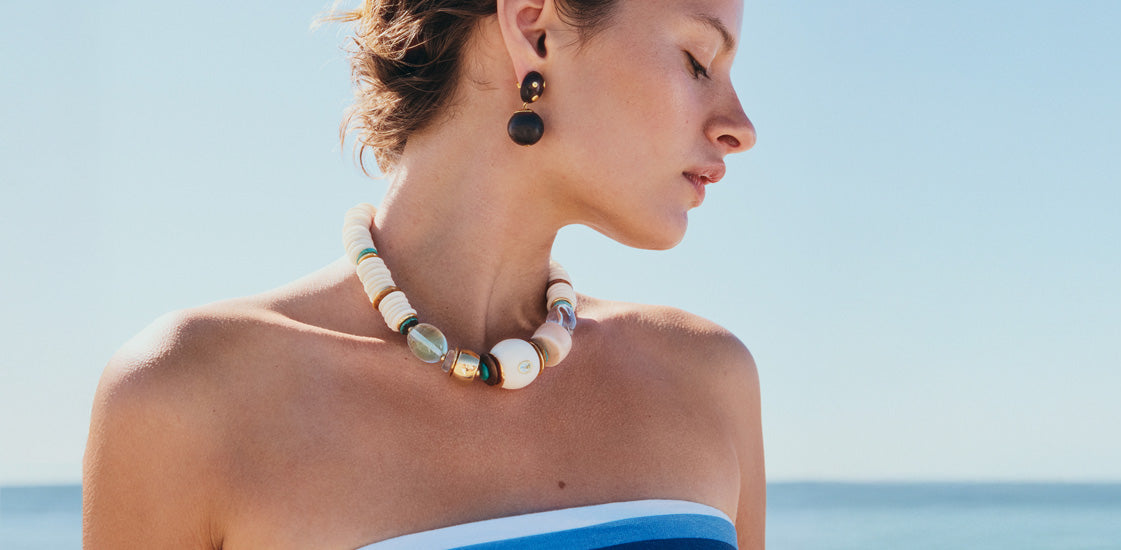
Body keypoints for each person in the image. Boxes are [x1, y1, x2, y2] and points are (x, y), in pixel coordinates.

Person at [81, 0, 763, 547]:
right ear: (535, 30)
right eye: (699, 60)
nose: (741, 126)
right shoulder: (190, 398)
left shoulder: (708, 381)